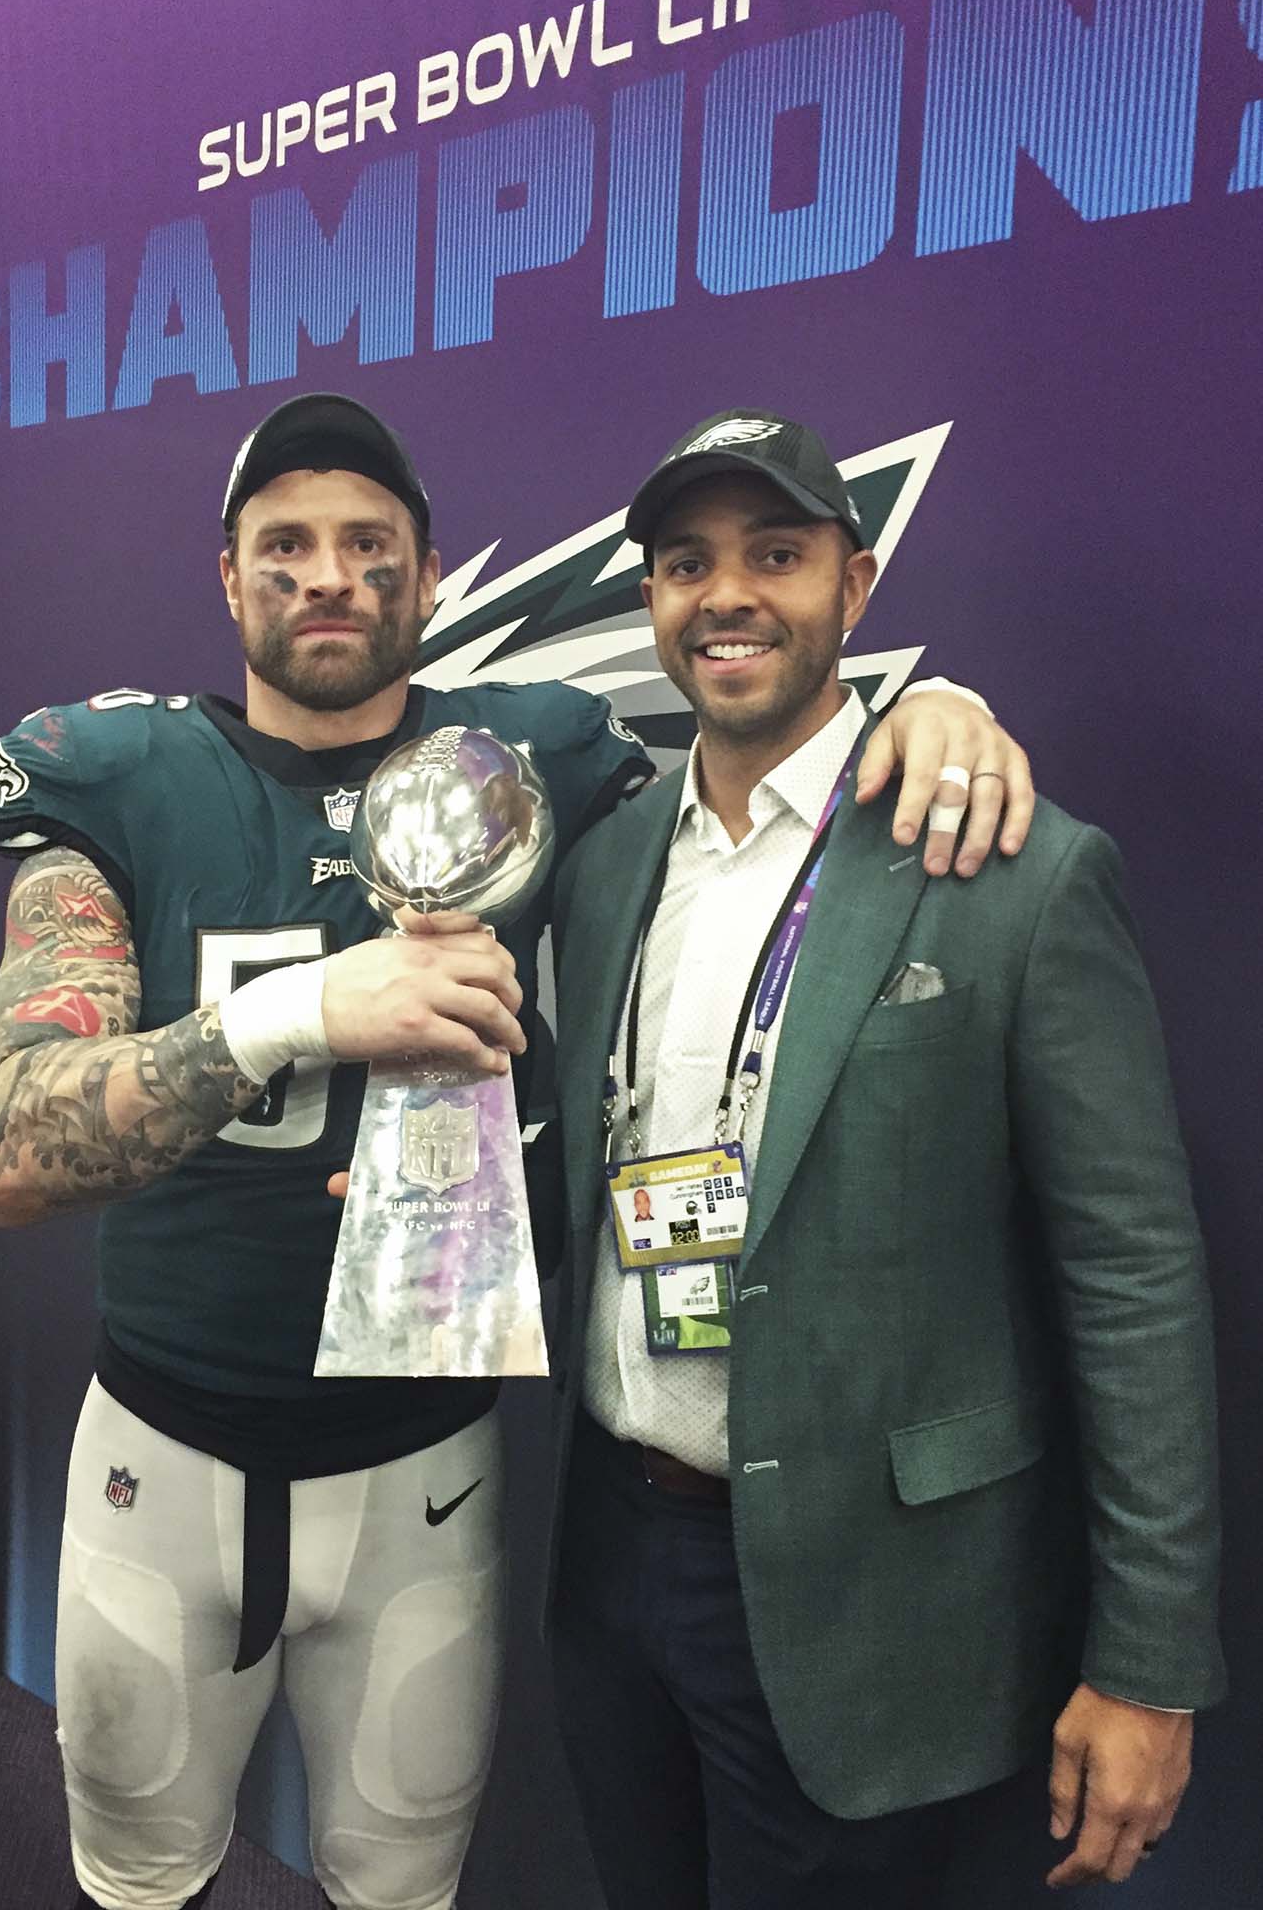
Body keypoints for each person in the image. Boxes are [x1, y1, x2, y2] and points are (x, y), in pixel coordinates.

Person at [0, 390, 1031, 1910]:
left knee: (401, 1886)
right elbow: (4, 1148)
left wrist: (918, 708)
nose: (326, 574)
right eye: (286, 544)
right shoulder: (116, 775)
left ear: (427, 570)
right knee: (134, 1880)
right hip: (162, 1448)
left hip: (424, 1469)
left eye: (365, 542)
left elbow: (755, 822)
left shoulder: (537, 761)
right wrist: (300, 1013)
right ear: (226, 576)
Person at [542, 409, 1225, 1909]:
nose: (725, 595)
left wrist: (1151, 1661)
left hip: (865, 1599)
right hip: (604, 1560)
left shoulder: (1007, 866)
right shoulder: (600, 871)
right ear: (647, 601)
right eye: (684, 563)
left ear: (852, 592)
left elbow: (1130, 1274)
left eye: (774, 556)